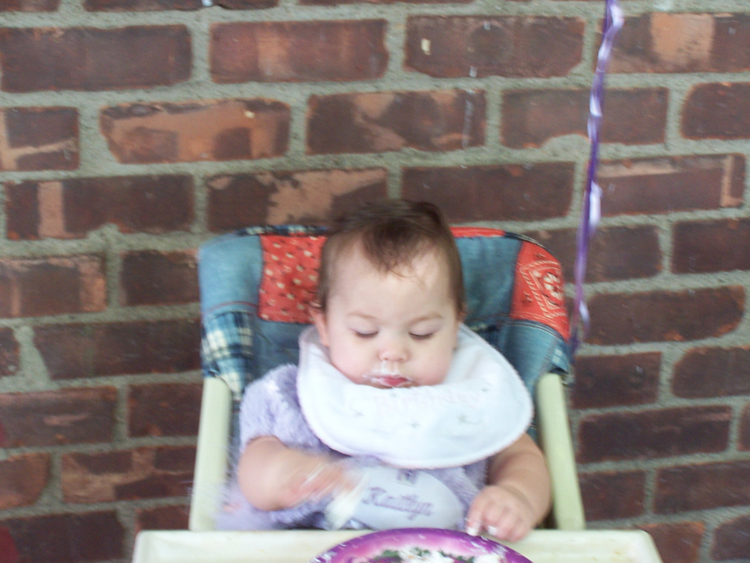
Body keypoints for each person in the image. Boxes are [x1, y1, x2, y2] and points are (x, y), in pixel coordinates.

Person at [217, 200, 551, 541]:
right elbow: (254, 467)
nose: (393, 352)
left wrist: (517, 496)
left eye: (422, 333)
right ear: (325, 325)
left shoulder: (475, 393)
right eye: (365, 332)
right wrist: (285, 473)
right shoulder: (290, 394)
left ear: (455, 327)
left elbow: (522, 457)